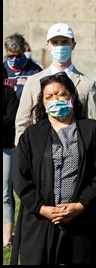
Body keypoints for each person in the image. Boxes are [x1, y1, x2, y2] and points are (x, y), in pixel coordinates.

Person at [10, 72, 96, 265]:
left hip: (82, 218)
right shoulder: (31, 136)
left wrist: (80, 205)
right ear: (42, 102)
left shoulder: (93, 130)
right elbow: (21, 177)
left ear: (72, 97)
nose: (55, 100)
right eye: (48, 97)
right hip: (40, 218)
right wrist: (41, 208)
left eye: (61, 94)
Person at [15, 22, 96, 145]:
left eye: (64, 42)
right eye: (55, 42)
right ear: (48, 45)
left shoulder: (87, 84)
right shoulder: (33, 82)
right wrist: (22, 153)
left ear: (73, 44)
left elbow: (95, 124)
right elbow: (22, 122)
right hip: (40, 148)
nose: (60, 46)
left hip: (77, 150)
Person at [2, 66, 19, 247]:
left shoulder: (9, 93)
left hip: (6, 147)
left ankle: (7, 236)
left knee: (5, 193)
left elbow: (12, 117)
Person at [3, 33, 43, 99]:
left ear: (24, 50)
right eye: (11, 56)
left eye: (18, 56)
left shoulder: (35, 70)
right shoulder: (4, 69)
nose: (14, 59)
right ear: (6, 51)